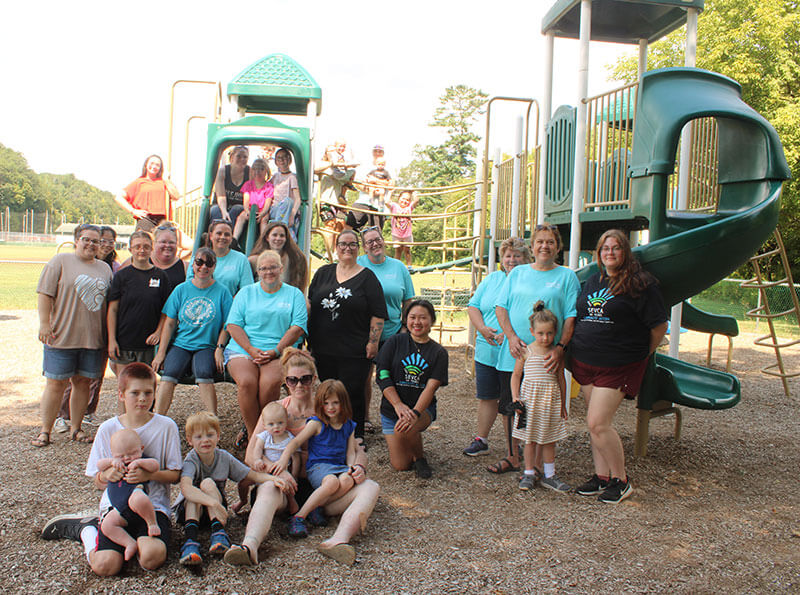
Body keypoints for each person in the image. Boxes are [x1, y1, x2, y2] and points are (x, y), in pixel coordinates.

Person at [226, 349, 380, 567]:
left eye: (305, 379)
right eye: (293, 380)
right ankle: (249, 546)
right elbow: (252, 455)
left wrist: (358, 467)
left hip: (321, 492)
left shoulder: (328, 408)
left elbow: (356, 446)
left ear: (314, 379)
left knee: (370, 487)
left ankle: (338, 541)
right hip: (285, 487)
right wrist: (277, 470)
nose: (299, 385)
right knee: (269, 487)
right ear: (285, 381)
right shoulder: (275, 411)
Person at [41, 363, 182, 576]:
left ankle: (141, 541)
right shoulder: (108, 428)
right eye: (135, 393)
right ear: (122, 394)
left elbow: (175, 475)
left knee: (152, 559)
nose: (142, 398)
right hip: (116, 508)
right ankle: (87, 531)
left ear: (155, 393)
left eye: (148, 392)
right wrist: (107, 475)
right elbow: (97, 479)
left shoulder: (166, 426)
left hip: (152, 507)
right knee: (105, 567)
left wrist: (149, 474)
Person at [570, 229, 668, 504]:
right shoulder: (593, 281)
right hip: (587, 362)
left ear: (625, 252)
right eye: (605, 248)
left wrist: (642, 353)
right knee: (595, 425)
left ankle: (621, 480)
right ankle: (602, 477)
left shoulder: (641, 284)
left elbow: (659, 325)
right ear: (599, 254)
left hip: (618, 365)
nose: (610, 253)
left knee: (597, 422)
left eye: (615, 248)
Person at [490, 224, 580, 475]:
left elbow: (571, 316)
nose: (544, 246)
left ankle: (537, 464)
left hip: (548, 354)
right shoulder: (517, 273)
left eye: (550, 242)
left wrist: (561, 347)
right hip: (518, 350)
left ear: (558, 247)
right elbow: (501, 307)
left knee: (542, 405)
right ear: (532, 246)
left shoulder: (567, 276)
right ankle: (513, 456)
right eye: (540, 241)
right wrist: (511, 337)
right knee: (513, 403)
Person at [32, 223, 112, 447]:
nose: (91, 244)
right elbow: (45, 294)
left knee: (83, 383)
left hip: (92, 339)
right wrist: (45, 323)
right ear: (77, 240)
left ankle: (76, 428)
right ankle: (45, 430)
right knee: (55, 384)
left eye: (96, 241)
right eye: (86, 239)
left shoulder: (105, 269)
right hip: (61, 336)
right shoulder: (60, 262)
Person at [175, 411, 286, 566]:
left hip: (215, 513)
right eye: (198, 437)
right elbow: (186, 488)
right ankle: (190, 541)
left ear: (218, 436)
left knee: (207, 484)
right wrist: (213, 503)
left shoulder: (223, 457)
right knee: (198, 490)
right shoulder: (191, 460)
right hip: (193, 513)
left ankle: (218, 534)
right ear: (190, 441)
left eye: (210, 435)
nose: (205, 440)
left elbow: (251, 475)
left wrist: (272, 478)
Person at [307, 230, 387, 439]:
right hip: (323, 348)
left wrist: (373, 342)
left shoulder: (367, 277)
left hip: (354, 349)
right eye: (343, 244)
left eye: (352, 245)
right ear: (336, 247)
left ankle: (355, 437)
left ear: (358, 248)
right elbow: (309, 304)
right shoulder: (323, 273)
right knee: (328, 393)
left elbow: (378, 314)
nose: (347, 248)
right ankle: (331, 434)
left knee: (352, 393)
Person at [225, 249, 307, 439]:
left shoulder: (294, 294)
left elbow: (297, 327)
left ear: (281, 268)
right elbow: (233, 325)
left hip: (278, 349)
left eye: (273, 267)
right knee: (247, 383)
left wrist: (276, 351)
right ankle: (255, 435)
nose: (268, 272)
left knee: (269, 384)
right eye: (263, 268)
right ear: (258, 272)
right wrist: (251, 350)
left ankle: (264, 431)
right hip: (245, 348)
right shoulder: (246, 293)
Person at [463, 238, 530, 457]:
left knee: (513, 398)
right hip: (487, 349)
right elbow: (473, 306)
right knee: (487, 396)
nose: (512, 260)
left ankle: (515, 446)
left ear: (526, 258)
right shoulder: (493, 279)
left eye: (517, 255)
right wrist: (482, 328)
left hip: (513, 351)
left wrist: (509, 333)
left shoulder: (528, 280)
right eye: (508, 256)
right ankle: (481, 439)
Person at [55, 225, 121, 433]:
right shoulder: (74, 263)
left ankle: (87, 411)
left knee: (94, 375)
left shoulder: (113, 267)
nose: (106, 244)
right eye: (103, 241)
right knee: (70, 376)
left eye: (111, 241)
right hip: (74, 328)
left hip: (99, 328)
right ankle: (63, 415)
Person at [152, 247, 233, 415]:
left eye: (209, 263)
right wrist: (161, 352)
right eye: (199, 262)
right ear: (193, 264)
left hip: (206, 345)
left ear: (214, 266)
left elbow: (228, 324)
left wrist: (220, 348)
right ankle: (158, 419)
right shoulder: (181, 290)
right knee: (169, 373)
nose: (203, 267)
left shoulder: (223, 292)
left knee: (203, 372)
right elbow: (169, 323)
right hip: (182, 343)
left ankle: (212, 419)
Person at [273, 380, 358, 538]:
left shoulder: (348, 425)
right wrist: (284, 458)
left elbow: (350, 452)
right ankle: (299, 517)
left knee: (347, 480)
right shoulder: (317, 423)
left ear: (343, 403)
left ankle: (315, 507)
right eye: (326, 403)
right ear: (320, 404)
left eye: (335, 403)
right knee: (332, 482)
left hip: (338, 466)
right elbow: (296, 441)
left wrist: (351, 466)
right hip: (318, 467)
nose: (330, 407)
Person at [375, 300, 448, 479]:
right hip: (391, 410)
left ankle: (420, 458)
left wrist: (414, 413)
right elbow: (382, 375)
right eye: (412, 317)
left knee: (406, 426)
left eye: (423, 318)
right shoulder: (394, 342)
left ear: (432, 321)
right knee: (401, 465)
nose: (417, 322)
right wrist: (398, 405)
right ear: (406, 319)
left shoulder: (438, 352)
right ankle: (412, 444)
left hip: (421, 410)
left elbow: (431, 388)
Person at [357, 225, 415, 432]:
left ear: (384, 240)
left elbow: (408, 300)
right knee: (363, 376)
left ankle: (393, 417)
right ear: (364, 248)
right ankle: (364, 418)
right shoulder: (358, 264)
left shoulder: (398, 267)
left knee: (391, 376)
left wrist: (404, 327)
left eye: (377, 239)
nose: (375, 244)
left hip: (392, 331)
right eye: (369, 242)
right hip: (363, 332)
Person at [511, 301, 570, 493]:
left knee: (548, 439)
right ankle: (528, 472)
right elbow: (516, 376)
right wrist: (515, 398)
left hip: (549, 402)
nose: (545, 338)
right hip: (529, 403)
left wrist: (563, 403)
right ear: (532, 331)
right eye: (541, 333)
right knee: (529, 439)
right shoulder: (526, 351)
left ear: (555, 332)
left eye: (550, 333)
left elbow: (561, 378)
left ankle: (549, 475)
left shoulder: (556, 354)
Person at [106, 231, 170, 376]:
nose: (142, 250)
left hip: (148, 345)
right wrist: (111, 340)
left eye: (146, 247)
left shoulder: (160, 276)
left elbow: (166, 311)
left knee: (146, 385)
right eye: (137, 247)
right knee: (125, 385)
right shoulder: (122, 276)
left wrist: (158, 332)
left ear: (152, 248)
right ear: (130, 249)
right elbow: (113, 310)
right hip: (124, 342)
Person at [96, 428, 161, 561]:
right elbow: (99, 465)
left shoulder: (141, 461)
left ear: (141, 449)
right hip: (119, 508)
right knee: (107, 525)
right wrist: (111, 462)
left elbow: (155, 465)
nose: (127, 458)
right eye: (121, 456)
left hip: (134, 496)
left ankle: (152, 523)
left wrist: (139, 462)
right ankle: (128, 543)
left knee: (139, 499)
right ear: (113, 454)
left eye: (132, 453)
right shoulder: (113, 463)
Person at [188, 219, 253, 297]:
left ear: (231, 238)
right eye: (219, 233)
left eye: (227, 234)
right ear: (211, 236)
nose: (222, 237)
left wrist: (228, 303)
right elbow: (189, 285)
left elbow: (246, 289)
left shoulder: (241, 259)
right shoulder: (198, 258)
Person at [115, 155, 180, 231]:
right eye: (152, 163)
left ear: (160, 168)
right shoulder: (139, 182)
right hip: (146, 219)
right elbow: (119, 197)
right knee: (145, 241)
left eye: (157, 165)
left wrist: (166, 180)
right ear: (146, 165)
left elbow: (176, 196)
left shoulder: (164, 182)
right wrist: (133, 211)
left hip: (163, 220)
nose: (154, 166)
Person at [248, 221, 308, 291]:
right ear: (267, 237)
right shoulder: (254, 260)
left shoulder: (294, 259)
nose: (278, 238)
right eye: (274, 235)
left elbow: (300, 285)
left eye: (282, 236)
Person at [210, 145, 250, 228]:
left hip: (238, 208)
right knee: (215, 210)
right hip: (222, 205)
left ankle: (229, 235)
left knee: (237, 208)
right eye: (238, 156)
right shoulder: (223, 171)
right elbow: (221, 196)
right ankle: (215, 233)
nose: (242, 159)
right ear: (232, 157)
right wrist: (224, 211)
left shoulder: (249, 172)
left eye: (245, 157)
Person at [235, 157, 274, 240]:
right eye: (255, 169)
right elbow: (246, 201)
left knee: (264, 220)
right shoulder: (248, 185)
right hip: (250, 210)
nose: (258, 172)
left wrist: (262, 214)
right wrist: (247, 212)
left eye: (261, 169)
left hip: (262, 211)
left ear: (266, 171)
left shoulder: (268, 187)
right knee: (241, 217)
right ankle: (235, 238)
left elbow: (267, 204)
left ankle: (263, 240)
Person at [269, 148, 302, 240]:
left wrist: (292, 214)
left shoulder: (292, 177)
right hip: (275, 210)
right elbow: (267, 192)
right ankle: (281, 230)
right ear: (276, 162)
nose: (282, 160)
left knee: (288, 202)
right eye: (279, 158)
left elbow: (297, 198)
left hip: (287, 212)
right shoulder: (275, 176)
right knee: (282, 206)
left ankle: (282, 231)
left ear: (289, 160)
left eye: (285, 157)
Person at [386, 190, 420, 266]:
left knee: (407, 251)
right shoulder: (394, 206)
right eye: (403, 198)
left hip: (407, 233)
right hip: (396, 233)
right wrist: (390, 192)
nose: (404, 201)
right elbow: (386, 202)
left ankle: (409, 266)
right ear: (399, 198)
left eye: (407, 200)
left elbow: (416, 201)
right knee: (398, 251)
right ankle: (395, 266)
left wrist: (413, 192)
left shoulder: (409, 208)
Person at [151, 224, 188, 291]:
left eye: (171, 242)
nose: (167, 245)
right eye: (163, 242)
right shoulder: (141, 262)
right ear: (154, 243)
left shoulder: (186, 267)